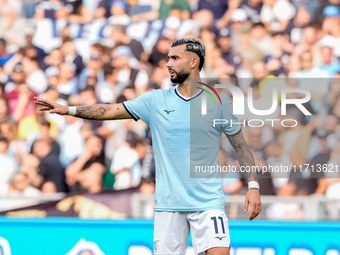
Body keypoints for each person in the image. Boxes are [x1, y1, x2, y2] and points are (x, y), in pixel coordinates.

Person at [35, 38, 261, 255]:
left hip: (208, 202)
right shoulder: (155, 100)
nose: (168, 64)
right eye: (168, 58)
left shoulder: (218, 101)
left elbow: (240, 146)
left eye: (175, 58)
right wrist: (70, 110)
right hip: (168, 204)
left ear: (194, 62)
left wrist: (253, 186)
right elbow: (111, 110)